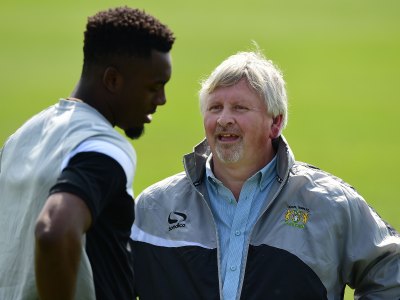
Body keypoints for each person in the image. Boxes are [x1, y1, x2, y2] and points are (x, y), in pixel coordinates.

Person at [130, 50, 400, 299]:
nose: (224, 119)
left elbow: (391, 271)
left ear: (276, 122)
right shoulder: (153, 207)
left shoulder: (330, 204)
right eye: (215, 108)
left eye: (239, 108)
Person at [0, 6, 174, 300]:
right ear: (113, 80)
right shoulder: (103, 146)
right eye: (154, 87)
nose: (162, 100)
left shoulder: (20, 140)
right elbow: (53, 231)